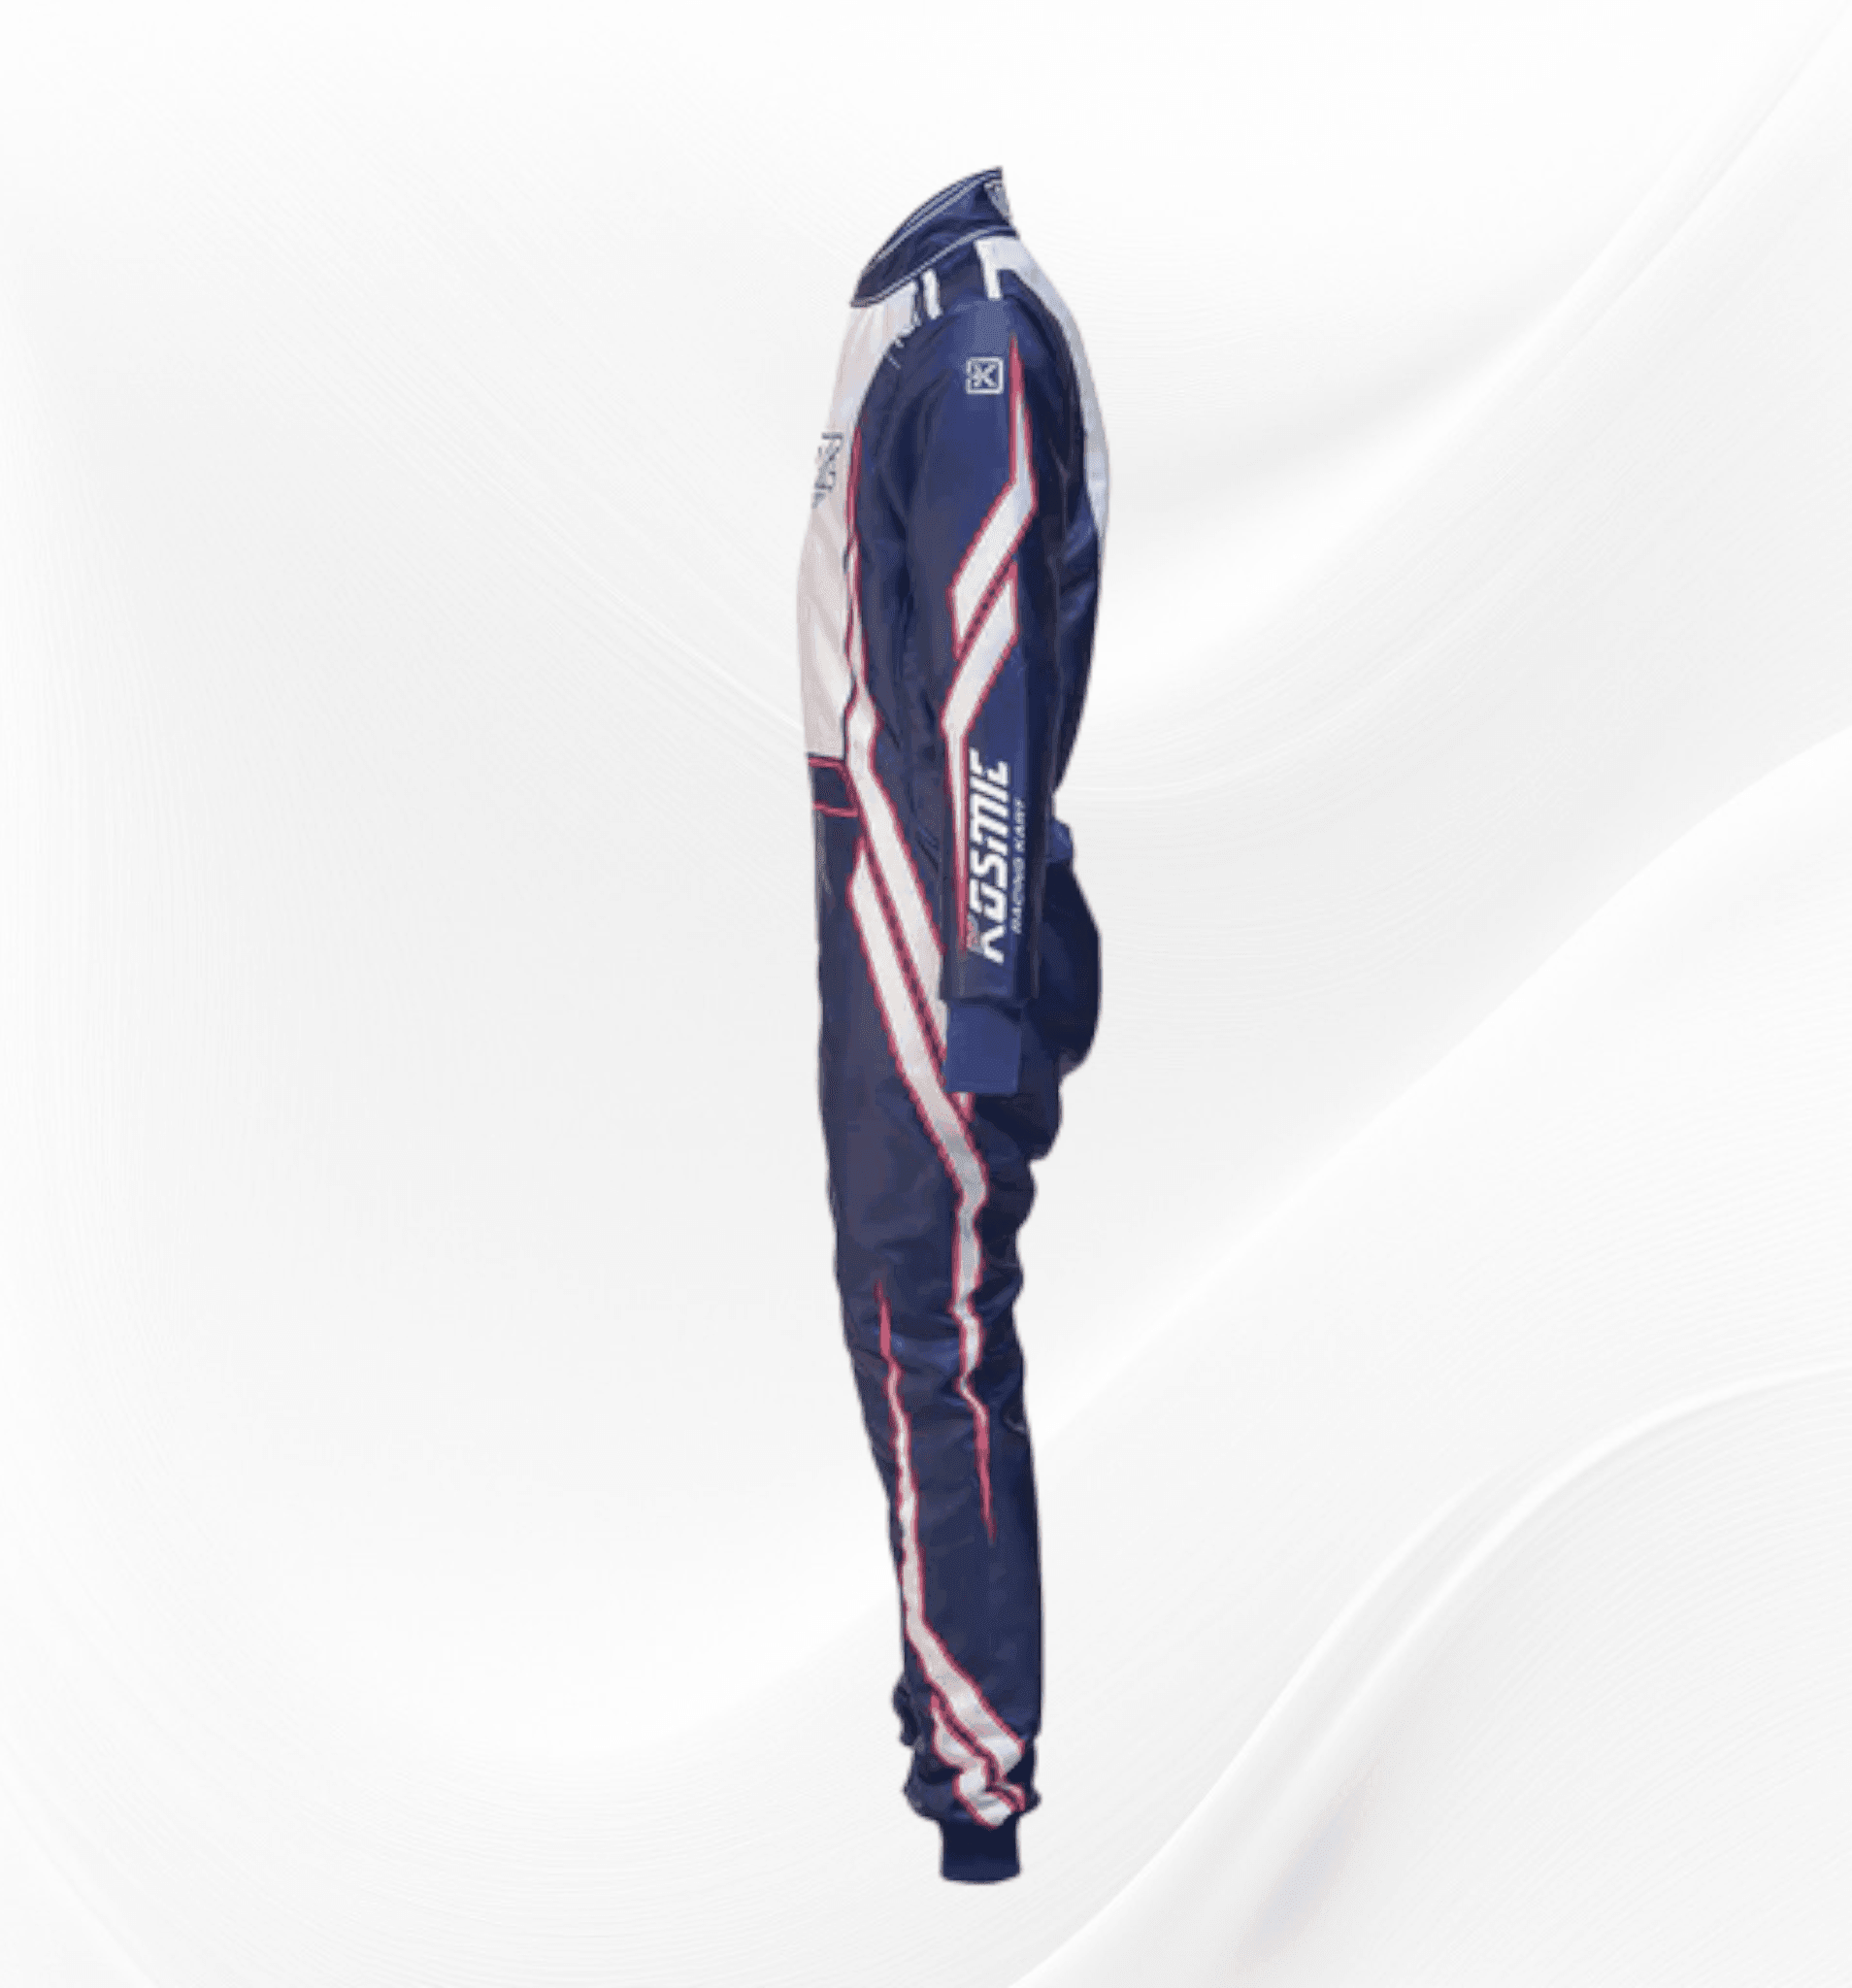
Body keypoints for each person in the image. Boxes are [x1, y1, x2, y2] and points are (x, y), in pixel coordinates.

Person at [795, 166, 1109, 1884]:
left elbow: (987, 681)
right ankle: (958, 1729)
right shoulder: (931, 316)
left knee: (935, 1338)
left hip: (931, 924)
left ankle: (977, 1787)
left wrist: (982, 992)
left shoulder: (969, 334)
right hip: (897, 892)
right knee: (914, 1330)